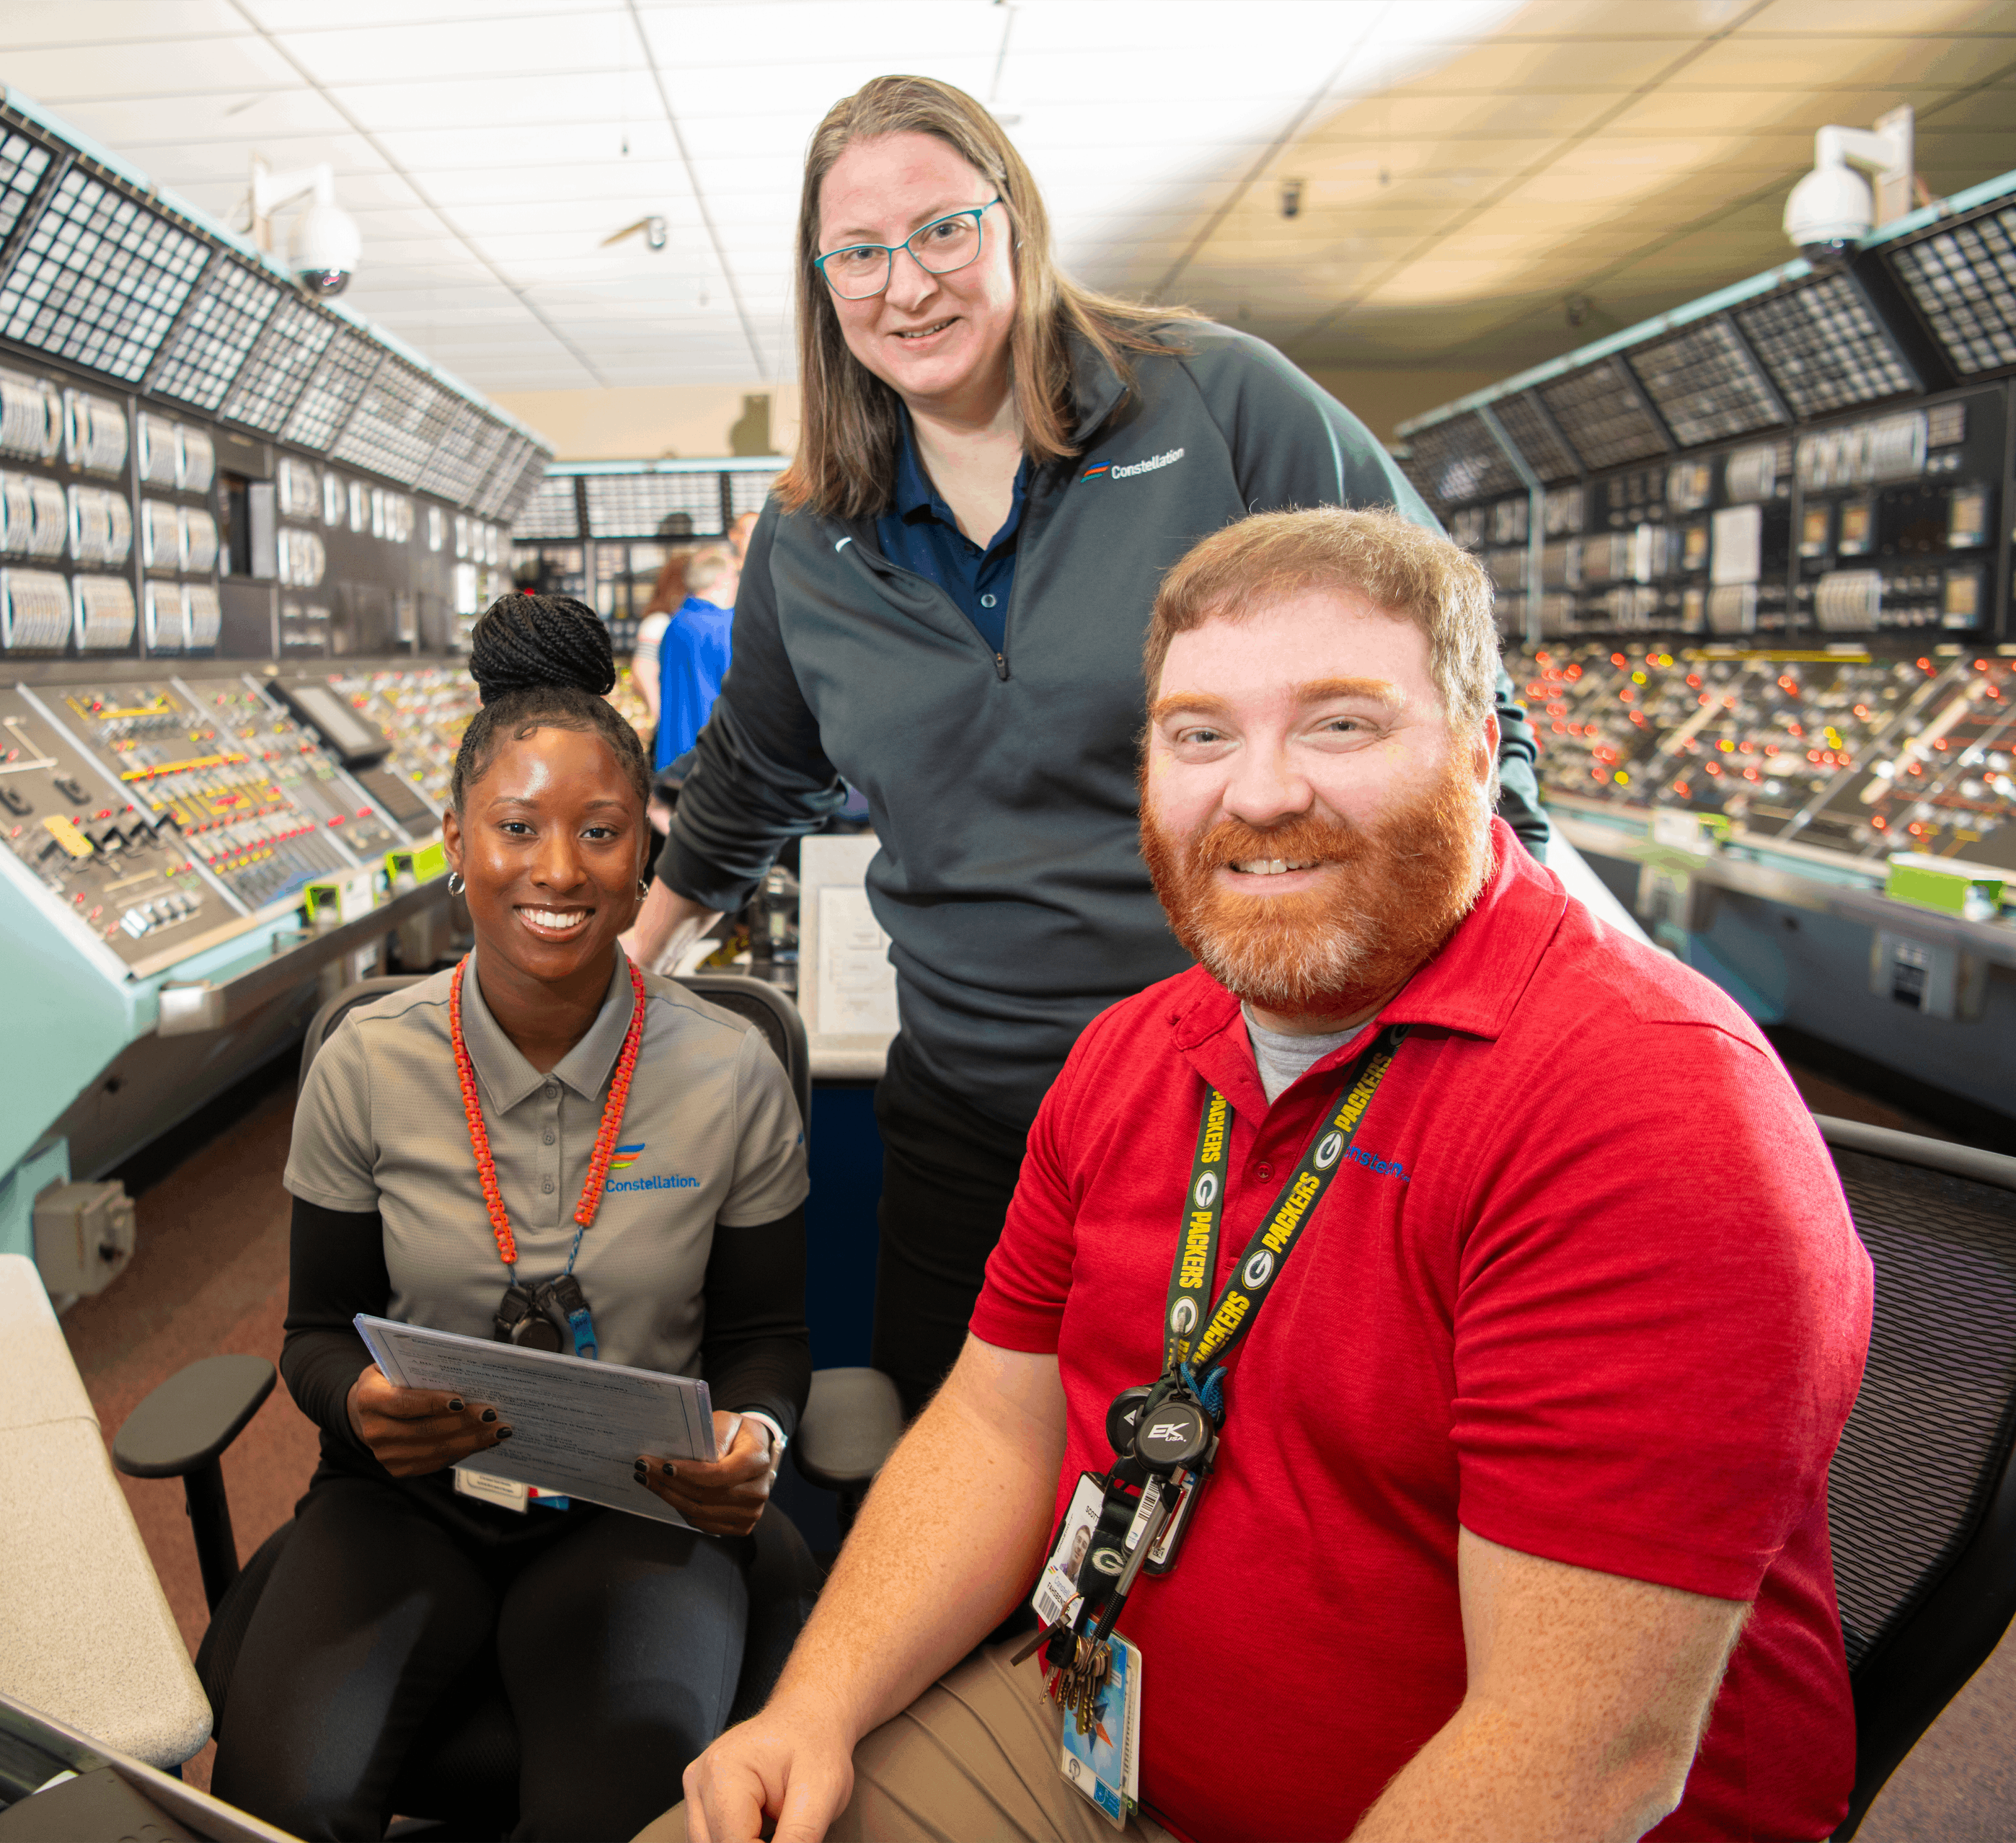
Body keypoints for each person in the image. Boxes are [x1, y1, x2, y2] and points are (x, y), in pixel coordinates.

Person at [655, 509, 1873, 1843]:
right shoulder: (1131, 1052)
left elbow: (1581, 1758)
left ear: (1474, 754)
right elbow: (1001, 1424)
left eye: (1339, 724)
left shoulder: (1649, 1112)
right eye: (1199, 734)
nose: (1259, 792)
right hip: (1086, 1741)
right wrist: (811, 1707)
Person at [627, 75, 1552, 1417]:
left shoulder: (1215, 401)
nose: (908, 285)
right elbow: (754, 775)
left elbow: (1454, 667)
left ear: (1014, 222)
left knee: (1244, 1520)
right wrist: (626, 960)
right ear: (821, 282)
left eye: (943, 229)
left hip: (1254, 1102)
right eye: (860, 254)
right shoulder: (806, 533)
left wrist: (1526, 962)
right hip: (967, 1113)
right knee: (956, 1490)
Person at [213, 593, 813, 1843]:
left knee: (626, 1806)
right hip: (405, 1499)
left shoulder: (728, 1069)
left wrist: (750, 1436)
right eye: (517, 827)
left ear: (643, 851)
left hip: (642, 1510)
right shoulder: (367, 1061)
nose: (556, 870)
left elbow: (763, 1339)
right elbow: (317, 1331)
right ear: (454, 841)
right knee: (282, 1804)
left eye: (599, 831)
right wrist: (357, 1403)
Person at [653, 544, 741, 769]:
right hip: (714, 760)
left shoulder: (675, 624)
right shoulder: (726, 627)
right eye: (736, 574)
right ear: (722, 579)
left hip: (673, 758)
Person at [630, 551, 694, 730]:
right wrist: (661, 715)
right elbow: (642, 671)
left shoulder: (668, 620)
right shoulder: (659, 622)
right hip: (674, 723)